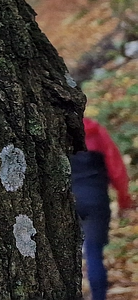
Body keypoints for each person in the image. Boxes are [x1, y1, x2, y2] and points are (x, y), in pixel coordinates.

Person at [71, 117, 133, 300]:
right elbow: (117, 169)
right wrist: (124, 201)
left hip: (69, 200)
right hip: (97, 201)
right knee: (94, 254)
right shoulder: (97, 131)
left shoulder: (58, 132)